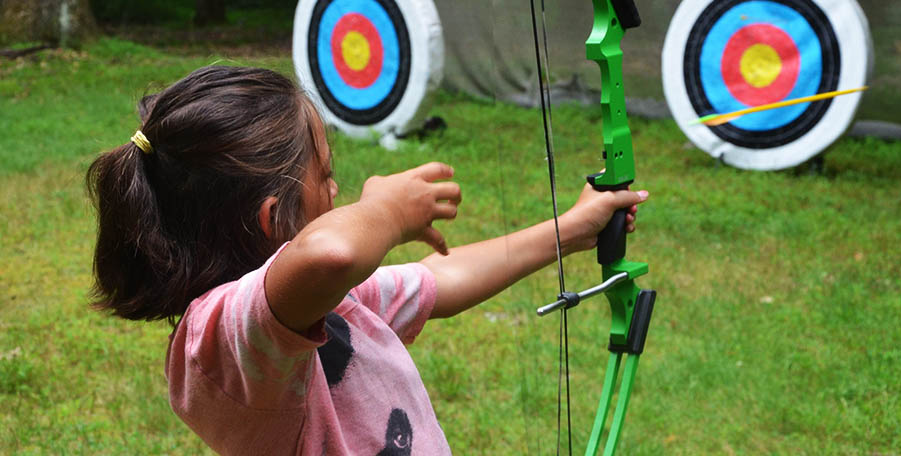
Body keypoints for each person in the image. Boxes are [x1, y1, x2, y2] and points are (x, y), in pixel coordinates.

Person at [87, 65, 648, 455]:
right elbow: (333, 251)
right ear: (272, 219)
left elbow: (438, 280)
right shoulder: (220, 336)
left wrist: (570, 231)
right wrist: (383, 210)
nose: (337, 190)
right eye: (325, 176)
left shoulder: (334, 303)